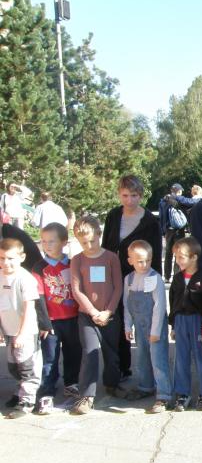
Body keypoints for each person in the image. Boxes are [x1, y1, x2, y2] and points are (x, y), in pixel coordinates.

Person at [101, 175, 162, 382]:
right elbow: (106, 248)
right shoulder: (113, 216)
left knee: (143, 325)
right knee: (118, 323)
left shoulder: (150, 221)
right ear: (119, 194)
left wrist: (152, 285)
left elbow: (155, 256)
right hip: (114, 277)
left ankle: (150, 375)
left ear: (141, 195)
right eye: (125, 195)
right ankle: (122, 368)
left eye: (134, 195)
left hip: (139, 279)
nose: (129, 200)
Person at [70, 215, 127, 414]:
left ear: (99, 234)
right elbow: (77, 290)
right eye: (84, 243)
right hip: (87, 316)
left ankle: (112, 383)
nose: (89, 246)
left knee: (112, 354)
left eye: (92, 241)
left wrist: (108, 311)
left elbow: (118, 286)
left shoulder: (111, 257)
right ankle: (87, 395)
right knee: (90, 353)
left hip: (109, 315)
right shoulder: (77, 260)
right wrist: (93, 312)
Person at [31, 223, 81, 413]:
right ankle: (47, 392)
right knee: (50, 358)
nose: (47, 245)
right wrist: (44, 323)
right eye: (44, 241)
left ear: (64, 242)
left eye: (52, 241)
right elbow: (39, 298)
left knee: (73, 353)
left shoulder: (73, 263)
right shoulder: (39, 268)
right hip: (51, 322)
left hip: (73, 318)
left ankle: (71, 383)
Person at [122, 241, 171, 413]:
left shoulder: (154, 278)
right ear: (130, 261)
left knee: (158, 359)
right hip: (139, 325)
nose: (144, 264)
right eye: (140, 261)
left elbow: (159, 306)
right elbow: (126, 304)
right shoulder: (128, 280)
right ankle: (146, 386)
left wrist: (155, 331)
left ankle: (164, 394)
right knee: (142, 357)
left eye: (148, 260)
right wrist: (127, 326)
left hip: (154, 325)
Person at [169, 236, 202, 412]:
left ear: (194, 257)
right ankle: (183, 394)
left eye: (181, 257)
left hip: (198, 321)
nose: (177, 261)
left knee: (201, 358)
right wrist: (173, 325)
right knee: (181, 358)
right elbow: (173, 301)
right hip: (181, 321)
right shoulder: (177, 278)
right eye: (176, 257)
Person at [0, 238, 42, 418]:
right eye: (2, 258)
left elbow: (29, 309)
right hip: (8, 330)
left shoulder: (25, 279)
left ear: (21, 257)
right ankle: (20, 392)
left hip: (25, 332)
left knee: (26, 368)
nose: (6, 263)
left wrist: (23, 334)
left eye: (10, 258)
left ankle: (27, 402)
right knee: (13, 366)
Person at [158, 183, 194, 283]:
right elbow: (190, 203)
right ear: (178, 191)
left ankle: (166, 277)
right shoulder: (179, 199)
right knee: (179, 253)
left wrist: (163, 231)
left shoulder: (163, 201)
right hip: (179, 230)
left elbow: (161, 217)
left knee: (168, 253)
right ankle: (176, 276)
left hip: (168, 230)